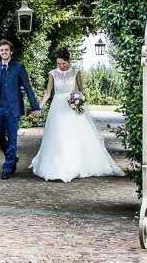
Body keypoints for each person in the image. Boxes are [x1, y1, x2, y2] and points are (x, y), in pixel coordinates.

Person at [31, 48, 124, 182]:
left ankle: (74, 163)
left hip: (71, 107)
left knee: (73, 135)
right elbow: (48, 92)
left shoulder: (76, 72)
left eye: (63, 64)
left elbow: (80, 90)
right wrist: (39, 106)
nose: (61, 66)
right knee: (57, 134)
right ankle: (56, 164)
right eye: (58, 64)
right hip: (57, 107)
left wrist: (78, 101)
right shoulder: (52, 73)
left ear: (68, 61)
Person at [0, 39, 40, 180]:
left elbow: (27, 87)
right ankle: (12, 158)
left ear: (11, 52)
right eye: (2, 50)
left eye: (6, 50)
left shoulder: (18, 66)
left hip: (13, 108)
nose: (4, 52)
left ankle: (7, 167)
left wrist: (35, 106)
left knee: (12, 139)